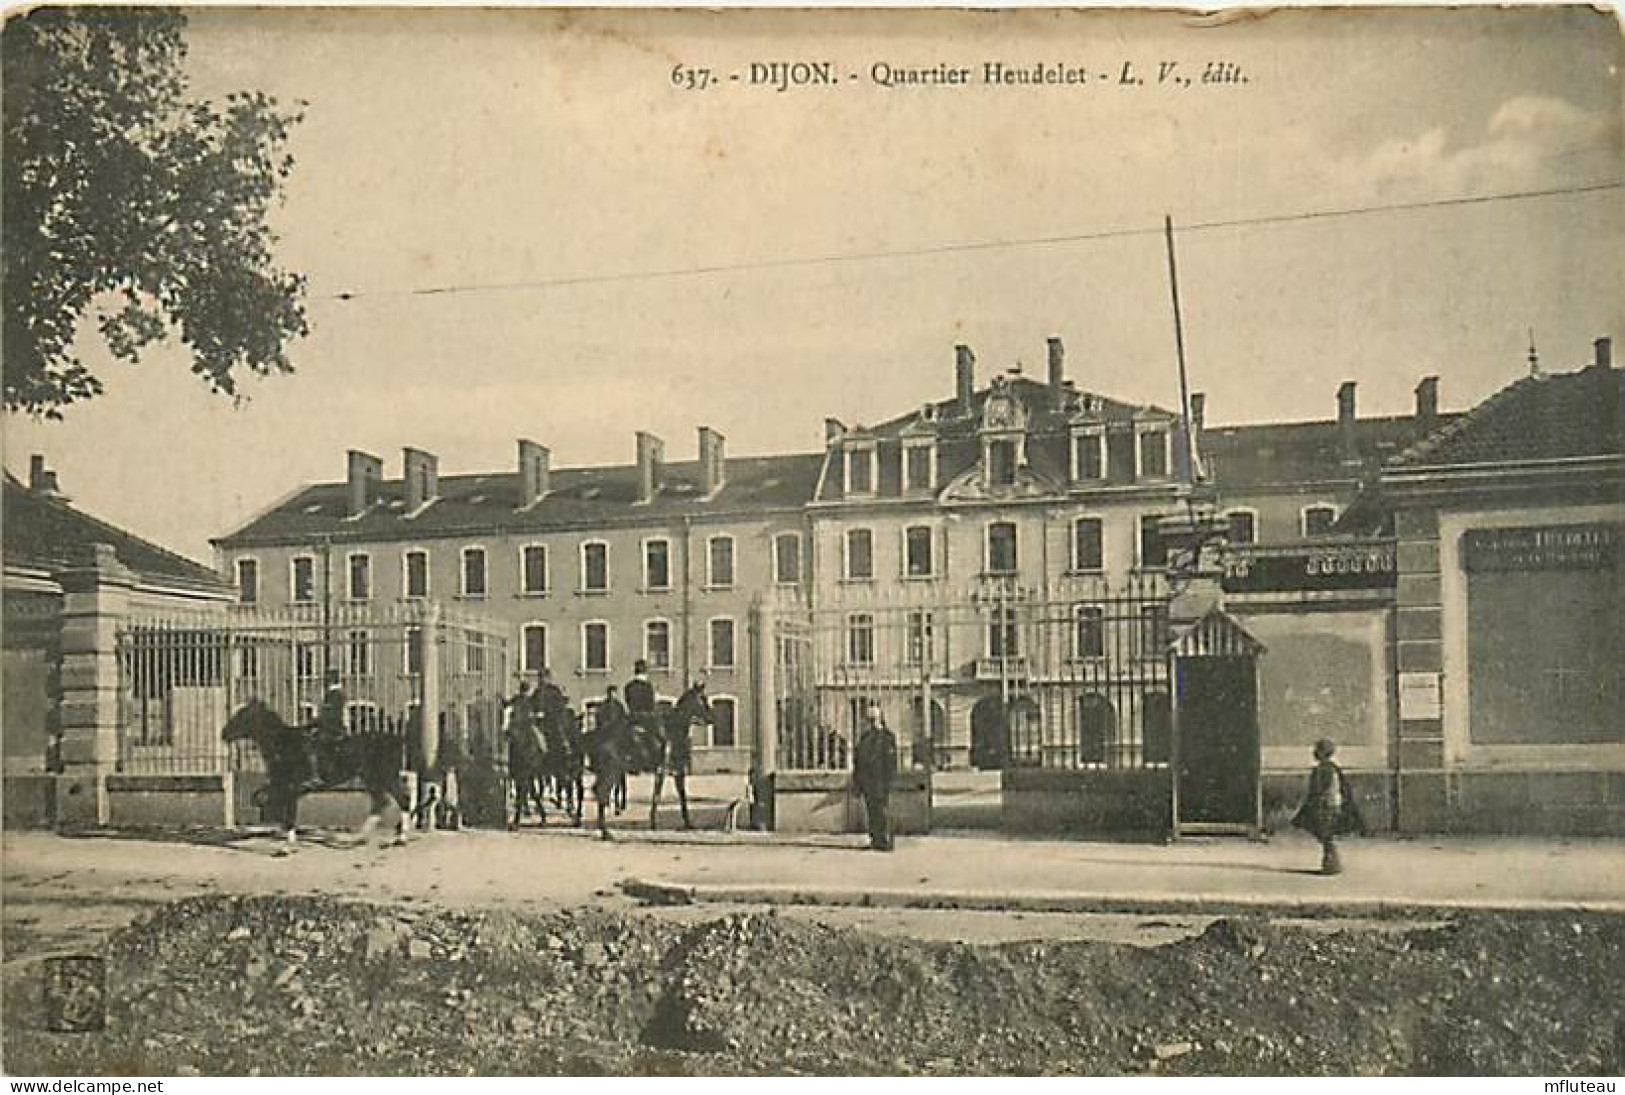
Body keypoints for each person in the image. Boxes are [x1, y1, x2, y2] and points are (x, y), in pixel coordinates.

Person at [1292, 738, 1366, 875]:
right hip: (1332, 804)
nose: (1313, 753)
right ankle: (1331, 863)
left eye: (1317, 750)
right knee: (1327, 835)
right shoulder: (1333, 768)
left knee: (1325, 835)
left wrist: (1313, 804)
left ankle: (1331, 864)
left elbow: (1319, 790)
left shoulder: (1322, 770)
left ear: (1321, 753)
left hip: (1325, 806)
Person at [853, 703, 897, 852]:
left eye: (874, 719)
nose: (872, 723)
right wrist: (857, 782)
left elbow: (891, 763)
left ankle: (885, 840)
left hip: (881, 781)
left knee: (883, 812)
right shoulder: (864, 738)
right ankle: (875, 839)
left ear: (880, 719)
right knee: (871, 811)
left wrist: (889, 781)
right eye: (869, 719)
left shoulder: (888, 737)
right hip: (867, 782)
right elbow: (858, 760)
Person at [309, 668, 346, 788]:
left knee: (312, 746)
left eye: (327, 679)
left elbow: (330, 715)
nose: (324, 682)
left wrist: (314, 723)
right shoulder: (334, 694)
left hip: (333, 730)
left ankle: (316, 776)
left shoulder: (334, 695)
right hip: (332, 728)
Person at [624, 659, 662, 774]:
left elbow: (628, 702)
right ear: (645, 671)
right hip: (645, 718)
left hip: (631, 717)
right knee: (659, 738)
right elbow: (650, 704)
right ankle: (655, 763)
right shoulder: (648, 686)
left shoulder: (628, 686)